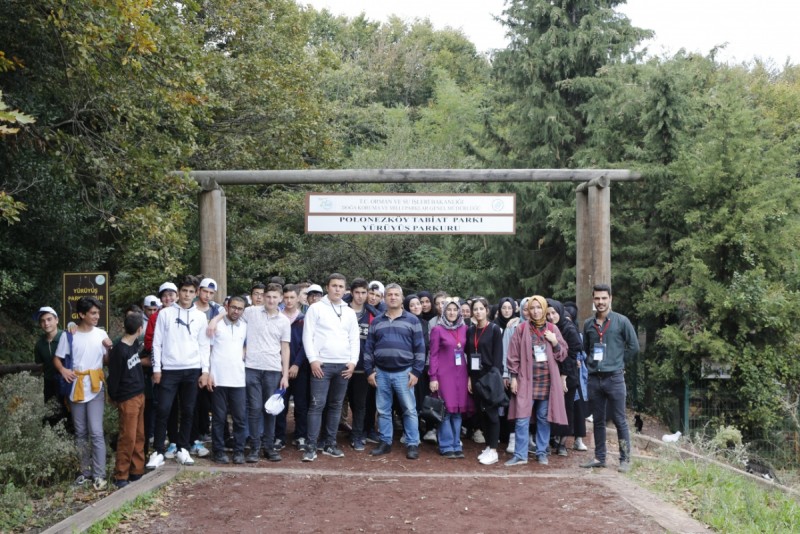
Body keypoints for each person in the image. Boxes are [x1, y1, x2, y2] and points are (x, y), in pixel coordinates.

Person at [147, 276, 211, 470]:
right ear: (178, 292)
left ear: (196, 293)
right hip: (169, 370)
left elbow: (204, 345)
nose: (187, 295)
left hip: (192, 369)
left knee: (189, 410)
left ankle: (183, 448)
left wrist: (205, 371)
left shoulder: (200, 316)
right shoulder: (165, 313)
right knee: (163, 409)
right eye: (184, 291)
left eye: (192, 292)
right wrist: (157, 368)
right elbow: (156, 343)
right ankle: (158, 450)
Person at [54, 296, 112, 490]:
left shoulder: (101, 333)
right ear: (82, 315)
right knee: (80, 432)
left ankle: (99, 474)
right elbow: (57, 359)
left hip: (95, 385)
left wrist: (108, 348)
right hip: (76, 386)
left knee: (96, 431)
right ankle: (84, 472)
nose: (97, 316)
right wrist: (63, 371)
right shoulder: (69, 335)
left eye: (98, 313)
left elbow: (106, 360)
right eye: (93, 313)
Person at [580, 284, 639, 473]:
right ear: (593, 300)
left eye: (604, 298)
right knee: (598, 420)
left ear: (610, 299)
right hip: (595, 379)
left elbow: (634, 346)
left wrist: (618, 363)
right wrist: (591, 364)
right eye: (597, 298)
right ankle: (600, 457)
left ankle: (625, 459)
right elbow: (587, 347)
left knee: (620, 420)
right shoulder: (589, 324)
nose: (600, 302)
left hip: (614, 378)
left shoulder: (622, 322)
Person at [301, 274, 360, 462]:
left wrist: (352, 362)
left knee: (335, 406)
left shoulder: (349, 311)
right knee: (317, 405)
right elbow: (307, 335)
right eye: (334, 285)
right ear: (328, 287)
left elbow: (354, 339)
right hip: (322, 365)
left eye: (341, 286)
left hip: (343, 366)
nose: (337, 289)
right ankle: (310, 446)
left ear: (345, 289)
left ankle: (329, 444)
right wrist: (313, 360)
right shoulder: (316, 308)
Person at [364, 283, 426, 460]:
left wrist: (416, 372)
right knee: (383, 410)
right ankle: (385, 442)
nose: (392, 297)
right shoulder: (376, 321)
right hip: (381, 372)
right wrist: (369, 371)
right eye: (389, 295)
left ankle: (413, 443)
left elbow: (420, 348)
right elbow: (369, 348)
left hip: (404, 373)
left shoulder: (412, 320)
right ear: (384, 298)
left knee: (409, 409)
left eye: (396, 295)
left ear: (401, 298)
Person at [505, 296, 568, 466]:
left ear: (544, 309)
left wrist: (554, 342)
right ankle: (520, 454)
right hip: (526, 380)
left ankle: (541, 452)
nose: (535, 311)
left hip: (547, 382)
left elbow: (562, 354)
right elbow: (513, 355)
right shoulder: (521, 328)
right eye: (532, 308)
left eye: (538, 307)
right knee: (522, 417)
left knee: (543, 417)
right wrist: (513, 377)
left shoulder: (553, 328)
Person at [206, 295, 247, 465]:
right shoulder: (216, 326)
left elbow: (246, 346)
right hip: (218, 379)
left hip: (238, 379)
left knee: (239, 418)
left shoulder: (244, 326)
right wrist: (208, 373)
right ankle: (218, 451)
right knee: (219, 418)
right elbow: (207, 349)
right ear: (227, 307)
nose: (236, 311)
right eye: (233, 307)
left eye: (240, 308)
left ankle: (239, 451)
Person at [107, 312, 146, 488]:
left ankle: (136, 471)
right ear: (140, 329)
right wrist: (114, 396)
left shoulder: (134, 344)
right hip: (127, 397)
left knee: (139, 435)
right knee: (127, 437)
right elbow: (113, 377)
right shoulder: (119, 350)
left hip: (139, 394)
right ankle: (121, 475)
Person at [429, 299, 472, 458]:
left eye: (455, 310)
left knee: (458, 411)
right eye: (449, 310)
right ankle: (446, 445)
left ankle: (456, 443)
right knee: (446, 410)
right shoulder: (437, 329)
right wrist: (433, 377)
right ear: (444, 311)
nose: (452, 312)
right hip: (444, 375)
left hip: (461, 375)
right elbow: (432, 355)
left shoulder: (464, 328)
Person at [466, 297, 504, 465]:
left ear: (487, 310)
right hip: (475, 376)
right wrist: (469, 377)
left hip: (490, 376)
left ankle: (494, 450)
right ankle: (488, 446)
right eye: (475, 309)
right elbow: (468, 354)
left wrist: (495, 377)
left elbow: (498, 357)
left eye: (481, 308)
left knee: (492, 413)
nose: (478, 312)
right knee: (481, 413)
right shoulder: (470, 330)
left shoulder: (495, 329)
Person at [546, 298, 584, 457]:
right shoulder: (548, 328)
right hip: (552, 373)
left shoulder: (568, 328)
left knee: (566, 408)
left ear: (560, 312)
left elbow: (574, 352)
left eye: (553, 313)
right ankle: (553, 438)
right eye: (548, 314)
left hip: (567, 374)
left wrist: (564, 376)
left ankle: (562, 443)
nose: (551, 316)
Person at [347, 278, 380, 450]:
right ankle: (326, 437)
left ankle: (357, 436)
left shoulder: (373, 315)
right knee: (335, 403)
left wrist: (372, 366)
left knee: (360, 404)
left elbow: (376, 343)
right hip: (341, 365)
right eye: (357, 292)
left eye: (363, 293)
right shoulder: (341, 310)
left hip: (362, 367)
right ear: (351, 293)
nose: (360, 296)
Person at [275, 284, 309, 451]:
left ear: (298, 299)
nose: (289, 301)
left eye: (292, 298)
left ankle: (300, 436)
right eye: (286, 298)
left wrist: (296, 364)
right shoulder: (277, 318)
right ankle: (278, 437)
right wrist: (283, 367)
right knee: (280, 403)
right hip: (279, 369)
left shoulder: (304, 319)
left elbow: (307, 344)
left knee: (301, 404)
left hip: (300, 369)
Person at [34, 306, 69, 427]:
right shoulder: (39, 344)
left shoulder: (67, 337)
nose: (46, 323)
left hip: (67, 381)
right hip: (49, 383)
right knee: (51, 414)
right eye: (42, 321)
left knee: (69, 414)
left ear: (56, 320)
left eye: (49, 319)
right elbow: (41, 364)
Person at [563, 301, 589, 451]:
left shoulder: (577, 334)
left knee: (578, 407)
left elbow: (584, 352)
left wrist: (578, 359)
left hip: (576, 376)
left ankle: (578, 439)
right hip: (563, 374)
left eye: (569, 320)